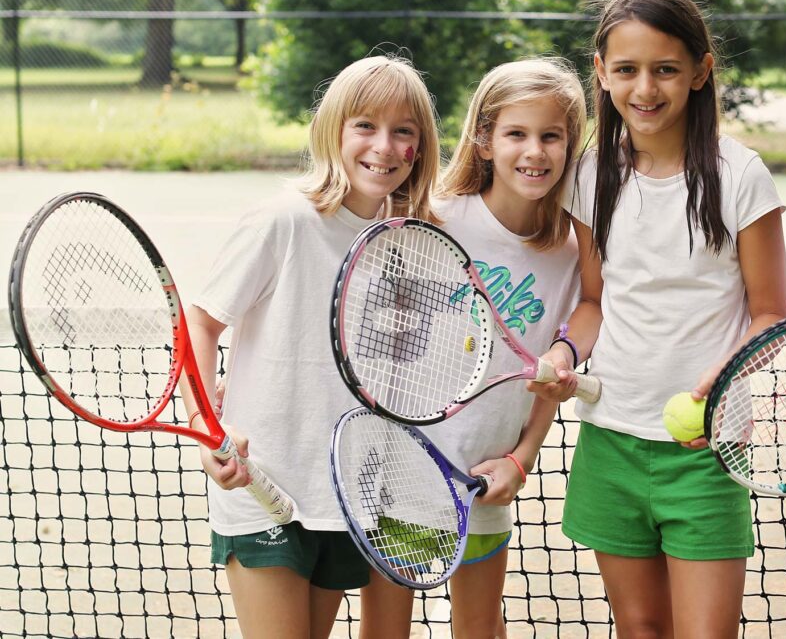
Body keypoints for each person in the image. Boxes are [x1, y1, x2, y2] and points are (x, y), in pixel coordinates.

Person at [528, 0, 786, 638]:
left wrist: (718, 382)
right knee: (640, 627)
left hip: (706, 449)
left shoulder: (741, 176)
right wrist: (563, 351)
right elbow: (593, 300)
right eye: (627, 69)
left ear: (701, 72)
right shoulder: (589, 176)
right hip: (611, 441)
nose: (645, 89)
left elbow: (770, 316)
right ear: (601, 72)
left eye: (666, 69)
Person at [178, 55, 441, 639]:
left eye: (404, 131)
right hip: (261, 480)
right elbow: (197, 325)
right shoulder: (283, 220)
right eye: (365, 126)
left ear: (419, 148)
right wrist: (205, 422)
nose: (384, 145)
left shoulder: (409, 240)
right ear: (333, 132)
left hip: (344, 496)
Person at [357, 57, 586, 639]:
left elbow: (545, 382)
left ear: (570, 143)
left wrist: (521, 458)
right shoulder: (430, 216)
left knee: (480, 628)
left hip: (485, 479)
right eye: (516, 133)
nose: (534, 151)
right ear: (484, 139)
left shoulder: (570, 251)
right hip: (402, 474)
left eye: (550, 136)